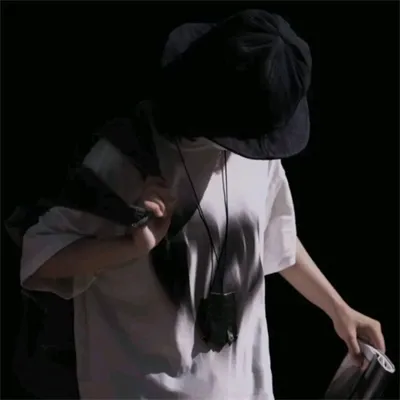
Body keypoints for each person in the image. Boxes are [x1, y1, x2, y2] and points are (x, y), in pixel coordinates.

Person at [20, 9, 385, 400]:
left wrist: (338, 308)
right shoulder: (126, 158)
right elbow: (38, 260)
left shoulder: (256, 149)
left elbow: (273, 235)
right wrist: (131, 245)